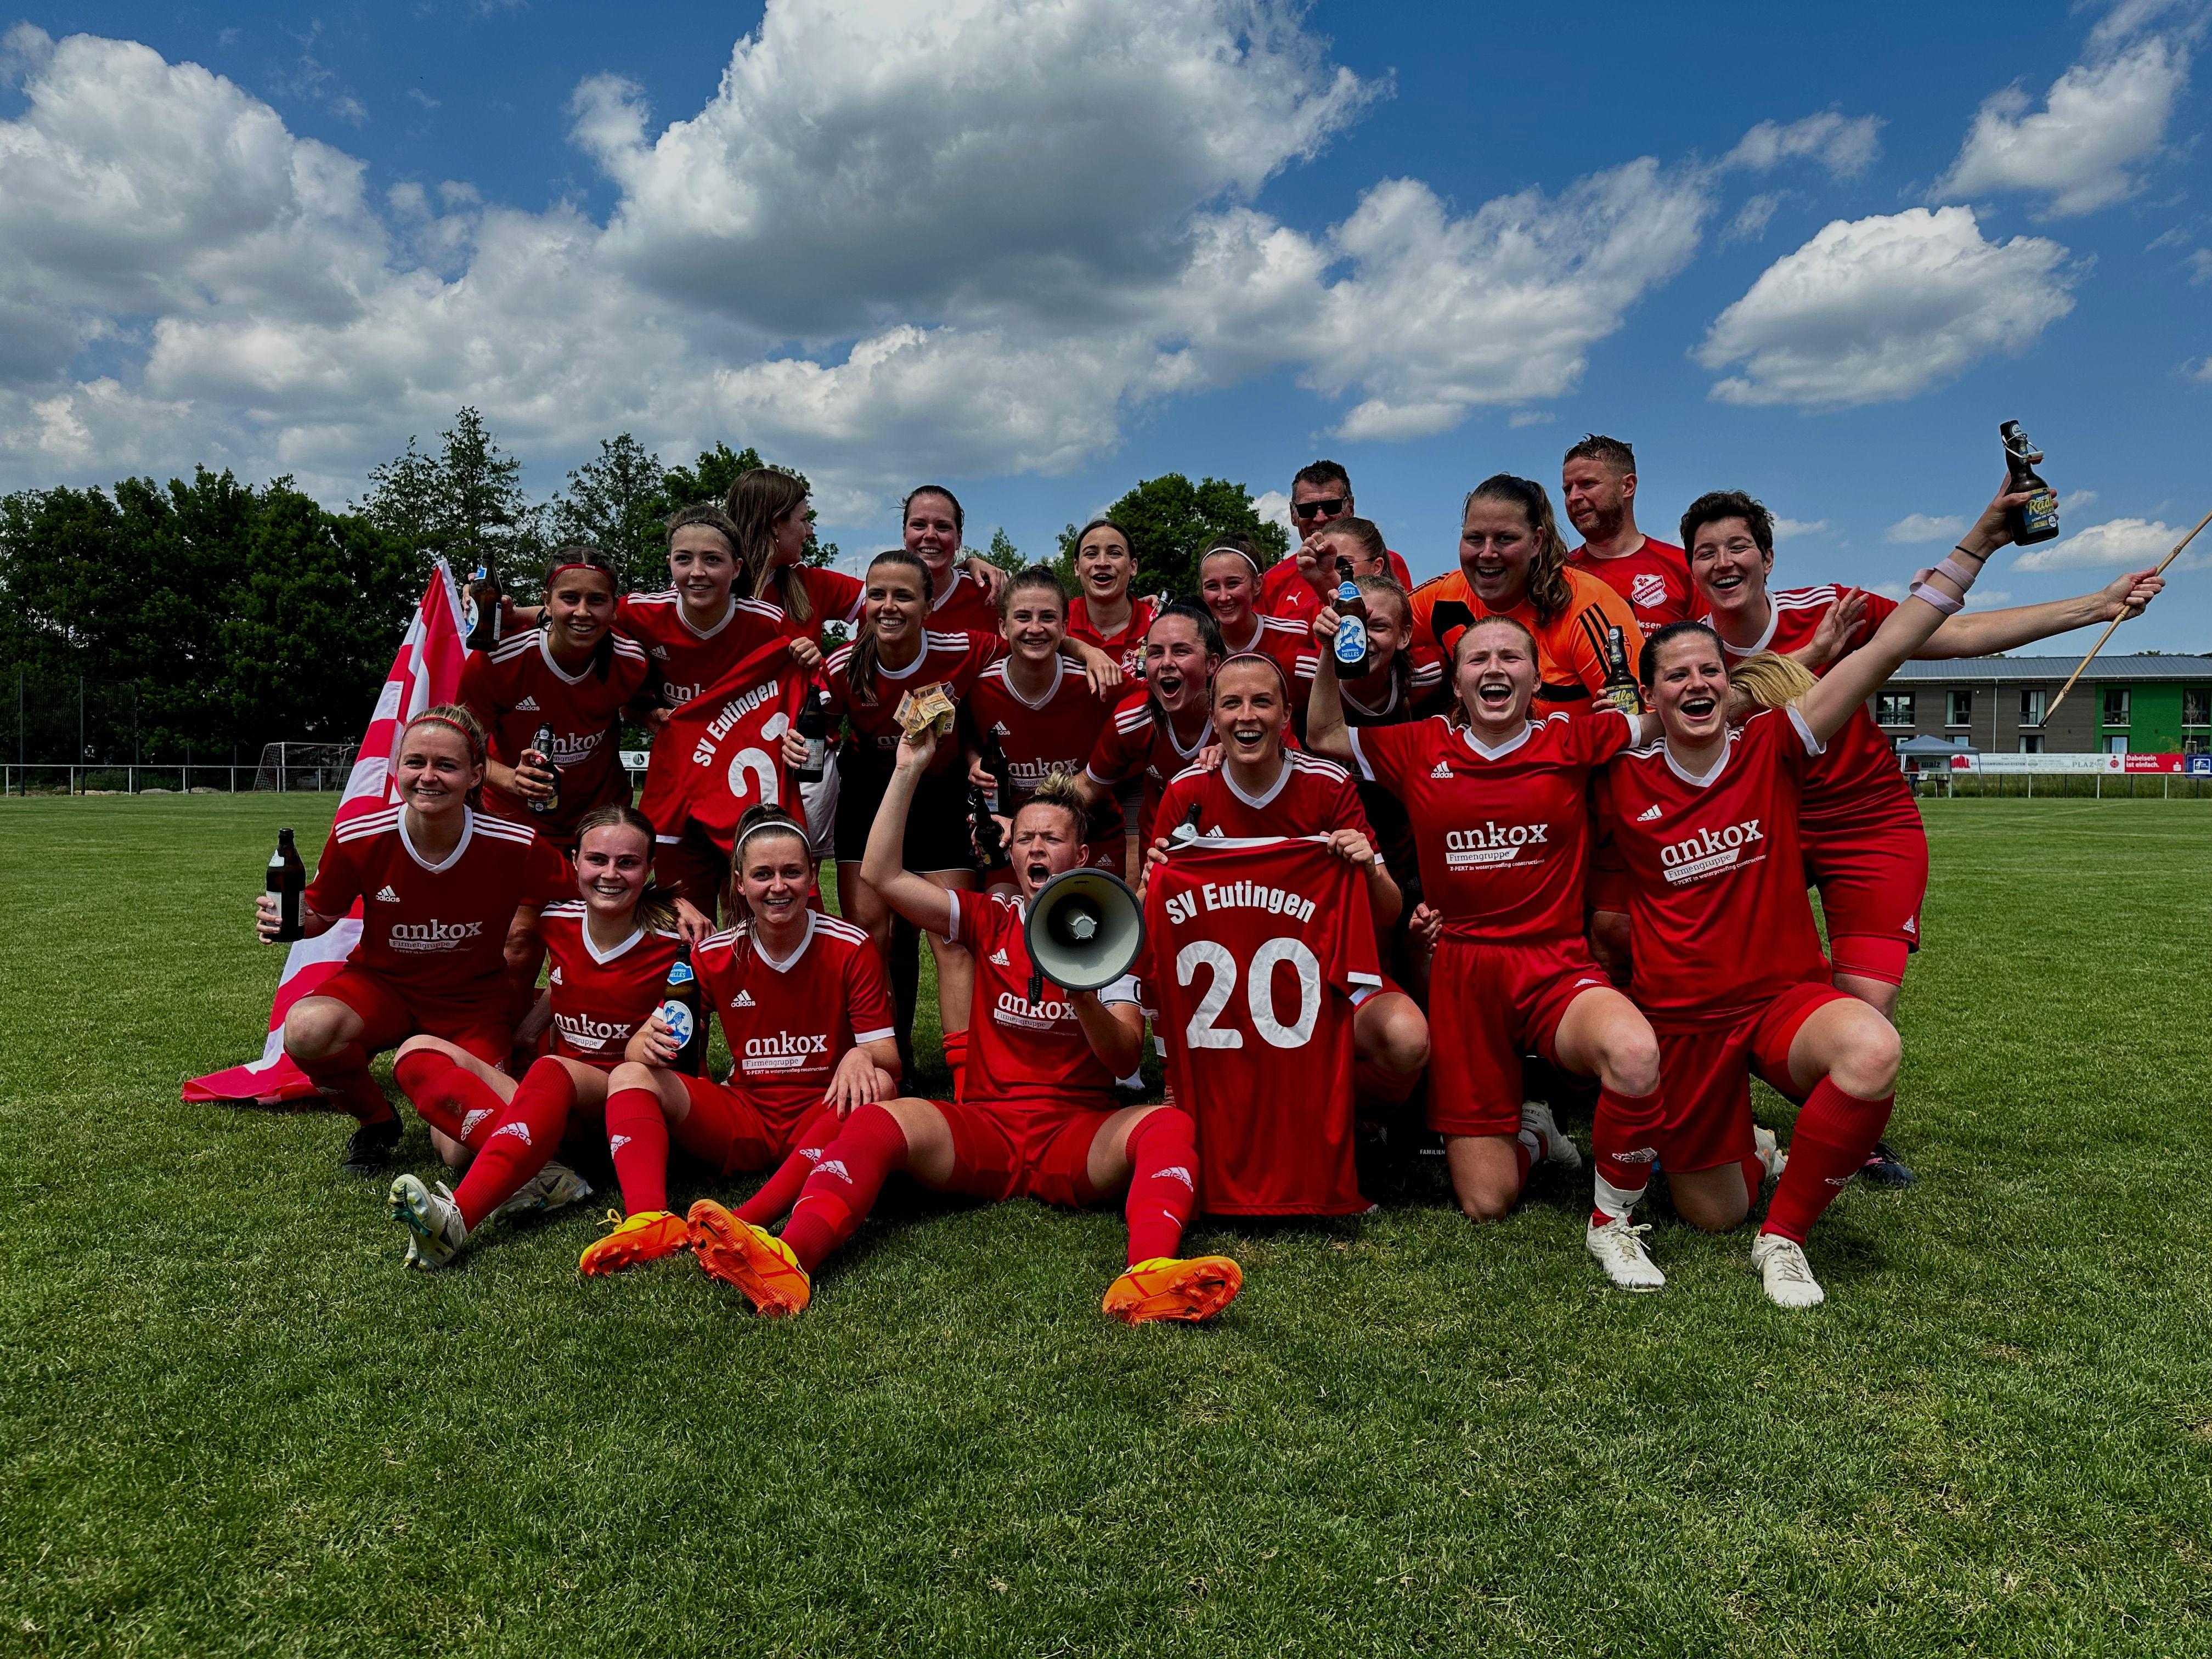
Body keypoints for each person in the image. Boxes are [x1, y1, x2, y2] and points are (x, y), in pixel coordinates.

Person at [1591, 481, 2061, 1307]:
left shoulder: (1774, 743)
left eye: (1710, 670)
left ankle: (1787, 1240)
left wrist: (1981, 540)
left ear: (1732, 688)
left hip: (1778, 1002)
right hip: (1687, 1027)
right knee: (1713, 1210)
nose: (1697, 685)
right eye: (1677, 677)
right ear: (1652, 699)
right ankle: (1751, 1150)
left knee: (1871, 1048)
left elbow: (1889, 647)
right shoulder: (1619, 781)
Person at [1684, 488, 2165, 1183]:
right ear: (1692, 567)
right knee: (1751, 987)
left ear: (1767, 557)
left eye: (1738, 547)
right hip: (1765, 830)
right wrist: (1811, 662)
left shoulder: (1830, 605)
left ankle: (1854, 1132)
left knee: (1866, 1002)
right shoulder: (1689, 648)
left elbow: (1952, 636)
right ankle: (1737, 1113)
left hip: (1867, 820)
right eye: (1706, 552)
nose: (1723, 562)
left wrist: (2096, 604)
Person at [682, 746, 1240, 1325]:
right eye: (1024, 839)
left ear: (1080, 853)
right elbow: (882, 876)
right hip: (989, 1127)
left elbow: (1125, 1055)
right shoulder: (989, 917)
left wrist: (1081, 993)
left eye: (1051, 839)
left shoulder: (1114, 934)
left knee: (1169, 1125)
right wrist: (906, 769)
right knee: (877, 1117)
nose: (1036, 849)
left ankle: (1148, 1276)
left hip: (1076, 1133)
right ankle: (787, 1261)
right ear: (1012, 851)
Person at [1308, 611, 1662, 1224]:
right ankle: (1536, 1138)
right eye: (1478, 659)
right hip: (1463, 970)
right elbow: (1325, 736)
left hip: (1554, 961)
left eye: (1510, 658)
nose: (1494, 669)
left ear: (1534, 678)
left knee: (1632, 1051)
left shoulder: (1572, 736)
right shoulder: (1420, 745)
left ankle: (1621, 1216)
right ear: (1457, 681)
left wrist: (1668, 691)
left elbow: (1674, 715)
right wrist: (1325, 656)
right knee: (1486, 1202)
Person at [579, 807, 901, 1275]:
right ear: (739, 881)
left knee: (879, 1087)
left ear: (813, 875)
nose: (778, 887)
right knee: (629, 1074)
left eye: (792, 872)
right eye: (763, 874)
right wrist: (641, 1044)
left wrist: (860, 1053)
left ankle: (749, 1218)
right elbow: (649, 1048)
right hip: (747, 1114)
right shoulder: (713, 953)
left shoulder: (849, 945)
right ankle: (648, 1220)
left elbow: (887, 1058)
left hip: (822, 1111)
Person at [255, 706, 567, 1171]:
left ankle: (453, 1080)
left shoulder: (514, 843)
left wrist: (667, 903)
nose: (428, 777)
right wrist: (294, 919)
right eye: (415, 762)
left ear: (476, 775)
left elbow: (587, 897)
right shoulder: (359, 834)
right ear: (396, 768)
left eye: (446, 765)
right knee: (306, 1029)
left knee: (460, 1153)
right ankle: (376, 1122)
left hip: (470, 1004)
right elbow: (323, 912)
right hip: (383, 987)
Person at [385, 803, 681, 1268]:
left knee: (551, 1070)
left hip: (621, 1105)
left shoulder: (677, 942)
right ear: (575, 862)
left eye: (628, 863)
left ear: (649, 870)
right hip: (554, 1099)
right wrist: (529, 1028)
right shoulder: (557, 921)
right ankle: (547, 1173)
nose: (610, 874)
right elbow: (568, 978)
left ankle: (461, 1215)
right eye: (597, 860)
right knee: (420, 1065)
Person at [1151, 652, 1429, 1109]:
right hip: (1224, 988)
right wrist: (1153, 880)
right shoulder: (1188, 791)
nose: (1247, 716)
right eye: (1231, 704)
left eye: (1262, 702)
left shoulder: (1328, 784)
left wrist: (1366, 867)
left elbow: (1389, 910)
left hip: (1322, 975)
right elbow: (1156, 926)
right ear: (1214, 718)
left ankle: (1345, 1110)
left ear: (1286, 716)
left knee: (1406, 1039)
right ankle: (1199, 1087)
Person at [820, 549, 1006, 1066]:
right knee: (869, 939)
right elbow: (811, 727)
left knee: (952, 936)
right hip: (868, 802)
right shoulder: (843, 664)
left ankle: (968, 1078)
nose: (888, 606)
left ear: (928, 604)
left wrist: (1090, 651)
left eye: (903, 595)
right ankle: (881, 1067)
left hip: (937, 796)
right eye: (877, 594)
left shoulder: (964, 648)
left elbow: (1037, 639)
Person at [460, 549, 650, 851]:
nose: (583, 612)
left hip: (599, 820)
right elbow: (464, 750)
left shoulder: (632, 661)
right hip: (514, 818)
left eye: (597, 600)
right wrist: (512, 779)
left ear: (615, 607)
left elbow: (638, 705)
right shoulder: (496, 663)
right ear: (547, 601)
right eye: (570, 598)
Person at [1407, 475, 1645, 708]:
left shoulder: (1589, 606)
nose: (1487, 553)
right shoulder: (1443, 595)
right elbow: (1374, 630)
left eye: (1505, 539)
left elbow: (1645, 717)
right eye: (1475, 538)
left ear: (1536, 542)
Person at [965, 566, 1125, 894]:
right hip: (1014, 837)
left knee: (1096, 928)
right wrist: (972, 761)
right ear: (1003, 627)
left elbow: (1156, 706)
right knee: (1007, 926)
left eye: (1048, 617)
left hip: (1092, 834)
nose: (1035, 628)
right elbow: (963, 735)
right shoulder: (980, 687)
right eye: (1023, 617)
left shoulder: (1093, 681)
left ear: (1066, 626)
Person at [1080, 602, 1222, 856]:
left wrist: (1243, 754)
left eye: (1181, 652)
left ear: (1211, 664)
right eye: (1156, 653)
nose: (1166, 662)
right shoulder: (1132, 718)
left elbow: (1292, 769)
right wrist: (1028, 817)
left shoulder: (1242, 714)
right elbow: (1089, 787)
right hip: (1159, 860)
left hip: (1230, 858)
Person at [1561, 434, 1694, 631]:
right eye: (1567, 489)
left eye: (1587, 484)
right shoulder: (1560, 576)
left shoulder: (1685, 567)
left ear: (1628, 486)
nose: (1574, 497)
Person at [1262, 459, 1416, 620]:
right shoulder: (1273, 581)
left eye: (1331, 506)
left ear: (1350, 507)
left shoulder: (1390, 561)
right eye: (1307, 509)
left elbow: (1407, 631)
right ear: (1294, 514)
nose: (1320, 518)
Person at [1198, 538, 1310, 701]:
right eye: (1212, 586)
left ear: (1257, 584)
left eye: (1233, 583)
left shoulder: (1296, 636)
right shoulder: (1197, 648)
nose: (1223, 597)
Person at [1063, 517, 1158, 681]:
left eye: (1115, 553)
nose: (1102, 563)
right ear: (1077, 567)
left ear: (1133, 567)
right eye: (1091, 554)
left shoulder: (1158, 624)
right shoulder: (1056, 619)